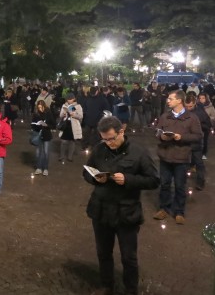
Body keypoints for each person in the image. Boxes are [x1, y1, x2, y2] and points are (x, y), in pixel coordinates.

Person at [84, 116, 159, 295]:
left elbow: (154, 180)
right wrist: (94, 178)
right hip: (101, 210)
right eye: (104, 139)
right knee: (103, 253)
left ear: (121, 132)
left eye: (111, 138)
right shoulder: (99, 149)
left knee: (129, 257)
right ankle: (106, 285)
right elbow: (86, 172)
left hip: (127, 213)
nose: (108, 143)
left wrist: (128, 179)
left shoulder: (138, 152)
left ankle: (131, 290)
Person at [153, 89, 202, 224]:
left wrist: (181, 137)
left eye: (170, 99)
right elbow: (157, 131)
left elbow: (198, 136)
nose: (168, 101)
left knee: (180, 186)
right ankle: (164, 208)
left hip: (181, 158)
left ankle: (179, 211)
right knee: (164, 184)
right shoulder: (165, 116)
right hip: (165, 156)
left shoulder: (191, 118)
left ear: (179, 100)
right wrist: (161, 136)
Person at [184, 95, 210, 191]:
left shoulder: (200, 113)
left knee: (199, 163)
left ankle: (200, 182)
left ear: (195, 103)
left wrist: (198, 127)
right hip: (185, 141)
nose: (188, 109)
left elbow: (208, 125)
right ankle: (182, 180)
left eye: (190, 106)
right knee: (183, 161)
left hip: (196, 142)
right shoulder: (182, 112)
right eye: (186, 106)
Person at [31, 100, 55, 176]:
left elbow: (53, 124)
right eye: (39, 108)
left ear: (44, 106)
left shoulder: (48, 113)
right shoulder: (36, 114)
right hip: (38, 134)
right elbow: (32, 124)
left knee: (46, 152)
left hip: (46, 135)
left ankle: (45, 168)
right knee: (38, 153)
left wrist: (46, 125)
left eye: (41, 107)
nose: (40, 109)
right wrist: (36, 125)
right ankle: (39, 168)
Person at [58, 93, 83, 164]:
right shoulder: (64, 105)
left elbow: (80, 116)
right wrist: (64, 113)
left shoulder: (78, 106)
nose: (69, 101)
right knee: (63, 142)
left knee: (72, 142)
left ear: (74, 99)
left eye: (70, 99)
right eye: (68, 99)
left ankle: (70, 156)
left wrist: (73, 114)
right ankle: (61, 156)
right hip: (66, 125)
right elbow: (60, 115)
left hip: (74, 126)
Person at [198, 92, 215, 160]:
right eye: (200, 98)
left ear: (206, 98)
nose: (201, 99)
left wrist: (208, 119)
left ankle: (204, 153)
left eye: (203, 98)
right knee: (198, 140)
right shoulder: (197, 106)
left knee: (205, 140)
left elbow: (213, 116)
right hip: (198, 125)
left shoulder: (210, 107)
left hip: (206, 126)